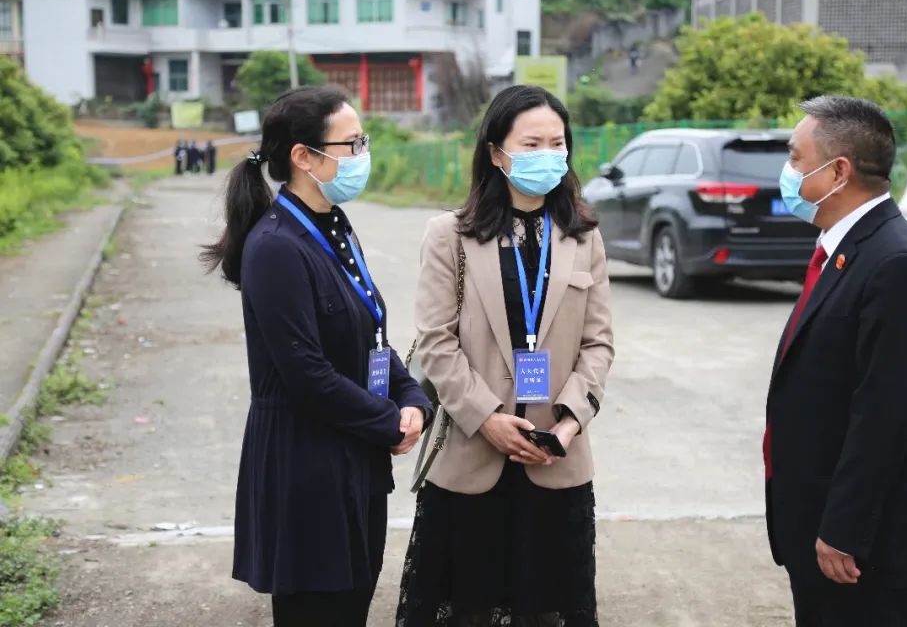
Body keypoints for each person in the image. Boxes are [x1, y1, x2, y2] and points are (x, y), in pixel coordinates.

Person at [200, 85, 431, 626]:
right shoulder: (277, 246)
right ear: (304, 156)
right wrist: (388, 421)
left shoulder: (335, 226)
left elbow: (367, 333)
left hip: (356, 462)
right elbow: (305, 374)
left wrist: (412, 396)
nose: (363, 155)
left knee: (349, 610)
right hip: (307, 471)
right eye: (352, 143)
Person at [397, 85, 615, 626]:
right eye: (532, 143)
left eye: (557, 143)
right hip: (474, 460)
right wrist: (486, 418)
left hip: (554, 460)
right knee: (469, 605)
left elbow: (599, 343)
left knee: (545, 609)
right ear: (497, 153)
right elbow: (435, 339)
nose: (549, 155)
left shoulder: (583, 235)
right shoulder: (449, 234)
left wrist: (566, 426)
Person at [764, 96, 907, 626]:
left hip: (870, 549)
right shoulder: (845, 248)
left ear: (838, 171)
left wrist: (844, 529)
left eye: (796, 158)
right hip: (826, 534)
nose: (787, 172)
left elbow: (887, 416)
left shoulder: (896, 263)